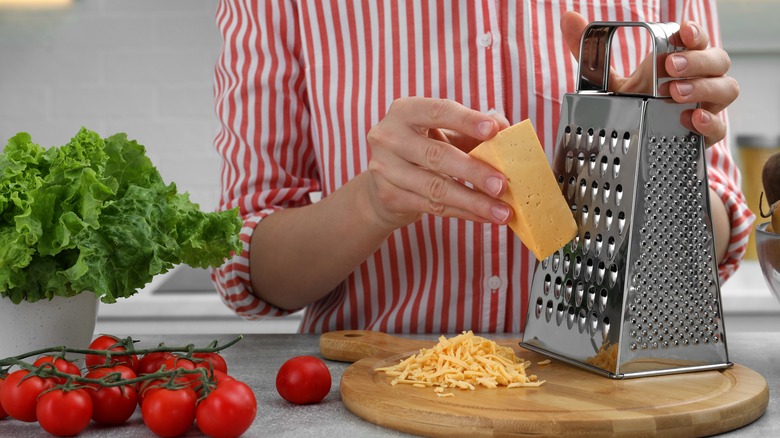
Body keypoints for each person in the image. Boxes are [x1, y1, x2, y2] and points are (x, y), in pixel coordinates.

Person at [210, 1, 751, 334]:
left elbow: (719, 239)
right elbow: (248, 264)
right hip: (375, 396)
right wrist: (370, 204)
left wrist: (644, 156)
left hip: (600, 393)